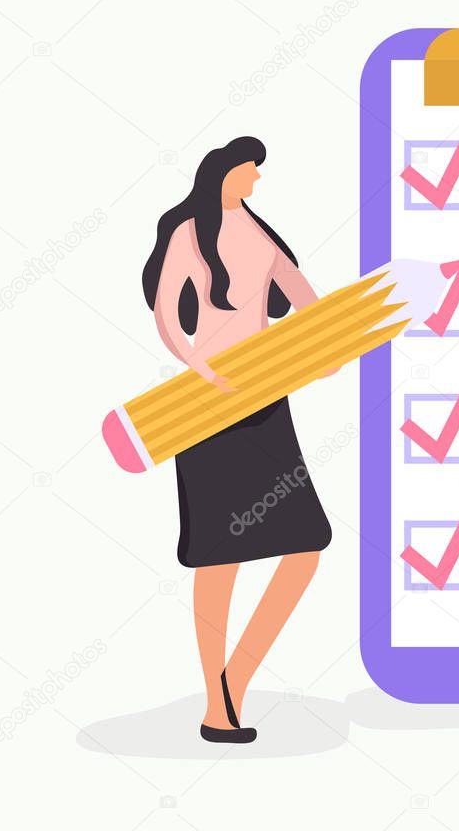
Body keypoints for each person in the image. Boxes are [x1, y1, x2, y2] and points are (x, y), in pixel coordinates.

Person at [141, 136, 335, 744]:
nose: (257, 179)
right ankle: (214, 704)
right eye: (252, 169)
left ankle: (235, 678)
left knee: (306, 545)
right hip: (206, 404)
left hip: (265, 397)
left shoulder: (260, 235)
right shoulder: (189, 235)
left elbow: (303, 298)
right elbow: (168, 312)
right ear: (227, 172)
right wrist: (195, 364)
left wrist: (322, 345)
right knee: (217, 558)